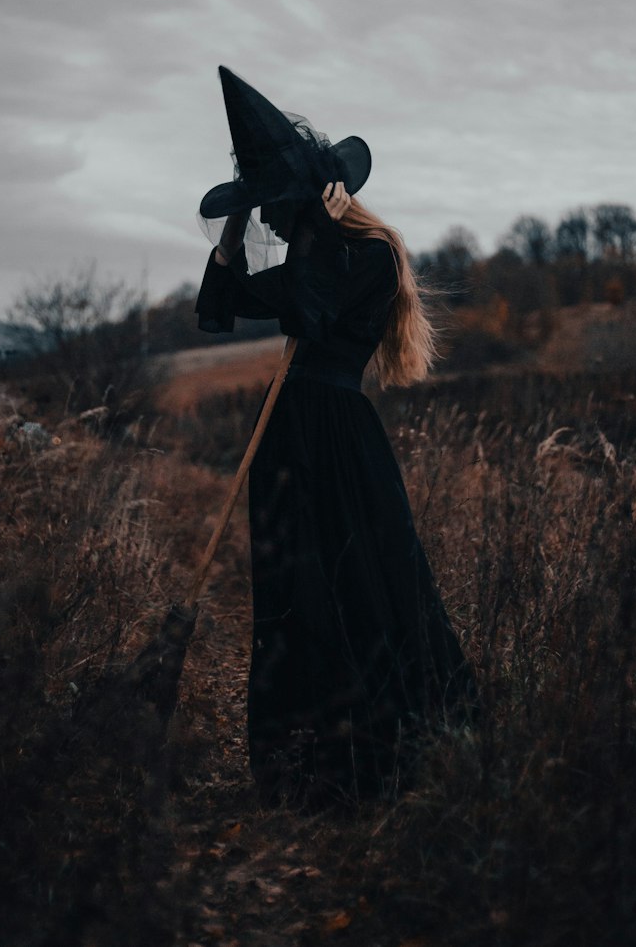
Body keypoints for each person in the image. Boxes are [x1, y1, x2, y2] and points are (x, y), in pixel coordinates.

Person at [195, 68, 477, 807]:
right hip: (286, 431)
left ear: (320, 201)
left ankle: (380, 751)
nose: (277, 227)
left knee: (361, 574)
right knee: (292, 581)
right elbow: (230, 299)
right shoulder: (307, 258)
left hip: (340, 437)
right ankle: (303, 758)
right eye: (271, 216)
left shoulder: (371, 258)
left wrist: (320, 228)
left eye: (281, 213)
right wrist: (234, 229)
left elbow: (313, 311)